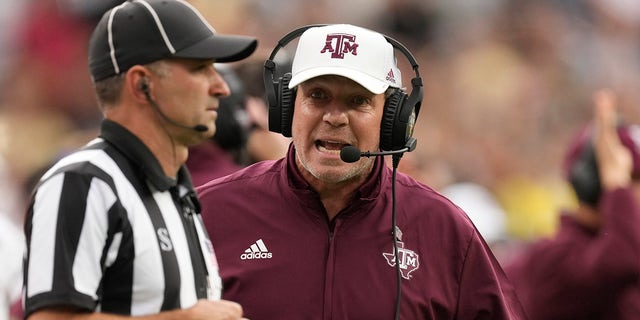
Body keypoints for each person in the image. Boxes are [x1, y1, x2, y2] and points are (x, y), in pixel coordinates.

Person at [197, 24, 526, 319]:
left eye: (358, 101)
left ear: (392, 120)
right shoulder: (210, 212)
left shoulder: (444, 228)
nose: (335, 117)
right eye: (317, 96)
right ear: (286, 107)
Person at [22, 0, 257, 319]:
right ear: (141, 84)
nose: (221, 87)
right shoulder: (84, 182)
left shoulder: (176, 192)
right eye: (200, 68)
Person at [503, 89, 640, 319]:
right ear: (594, 182)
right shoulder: (557, 257)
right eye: (634, 179)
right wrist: (617, 184)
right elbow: (623, 259)